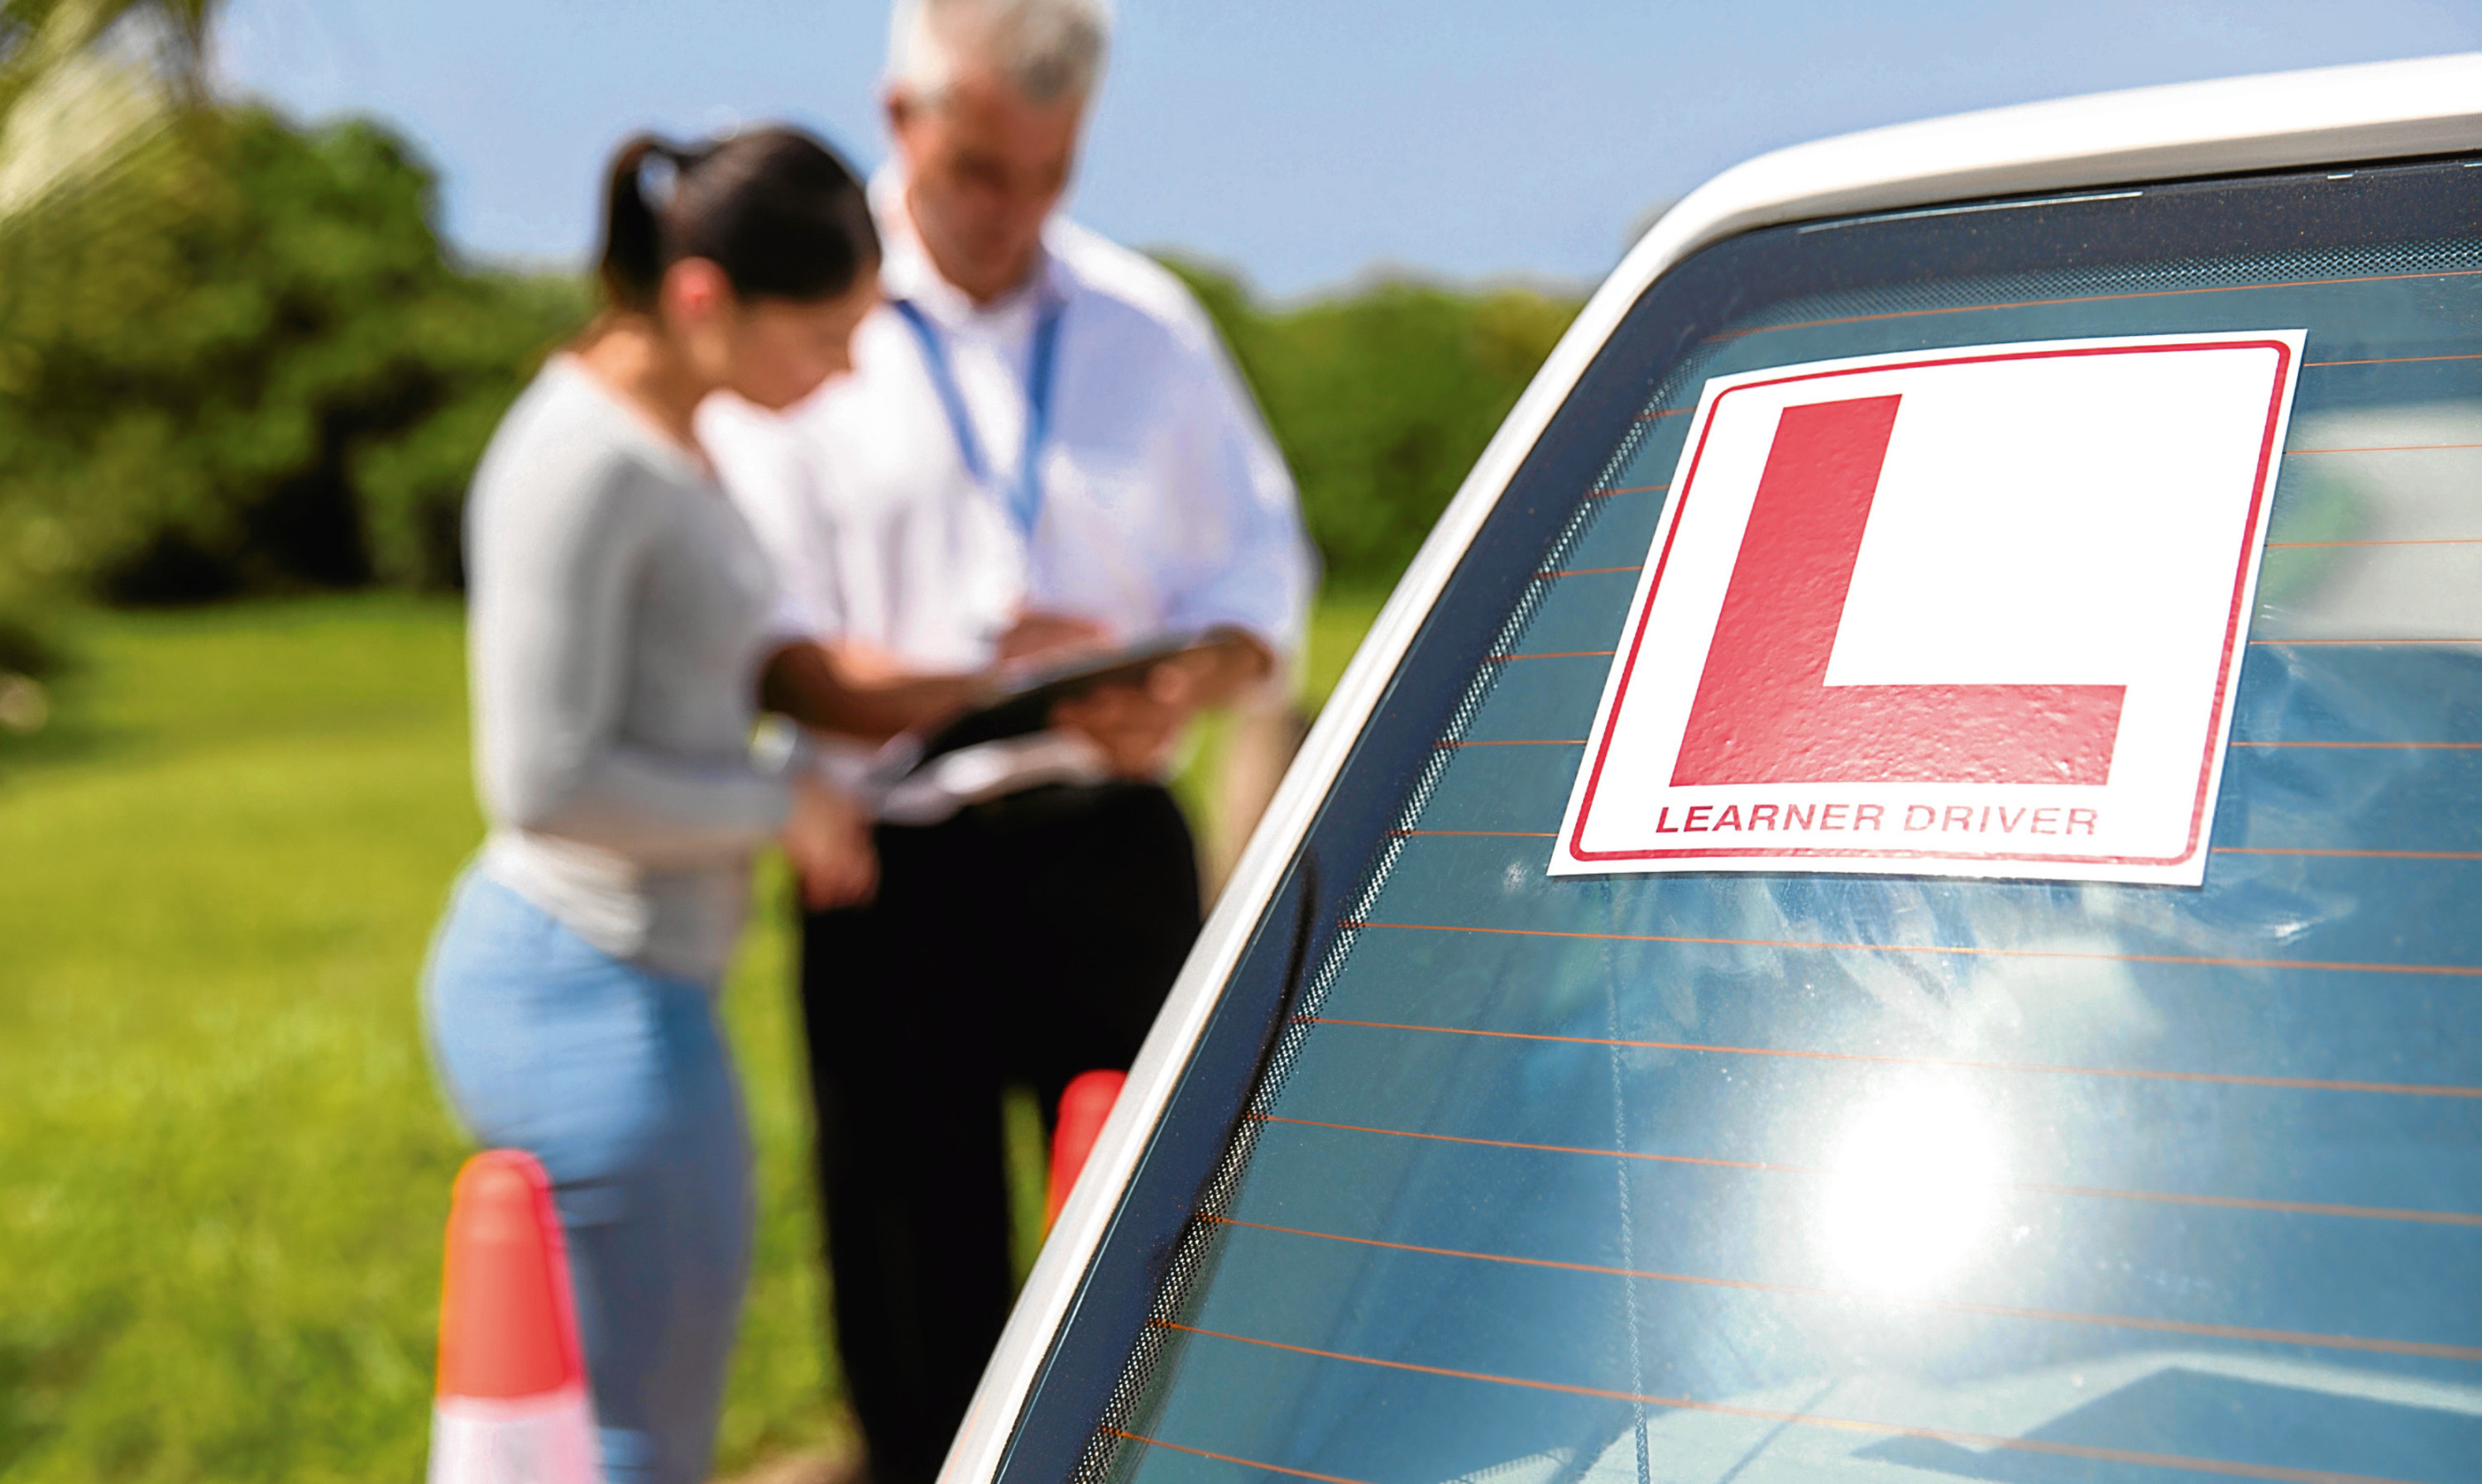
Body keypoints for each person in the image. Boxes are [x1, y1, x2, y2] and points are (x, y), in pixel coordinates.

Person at [698, 0, 1315, 1476]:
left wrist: (1177, 680)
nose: (1018, 212)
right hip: (895, 867)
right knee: (915, 1271)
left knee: (1172, 1231)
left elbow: (1259, 581)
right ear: (901, 119)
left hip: (1107, 849)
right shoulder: (803, 315)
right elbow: (753, 628)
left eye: (1051, 174)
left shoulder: (1148, 325)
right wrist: (958, 682)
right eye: (984, 172)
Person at [421, 126, 978, 1484]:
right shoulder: (584, 456)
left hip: (638, 982)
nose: (846, 369)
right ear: (701, 299)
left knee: (637, 1413)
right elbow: (541, 779)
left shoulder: (670, 428)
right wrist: (776, 804)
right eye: (825, 335)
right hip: (583, 986)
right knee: (633, 1436)